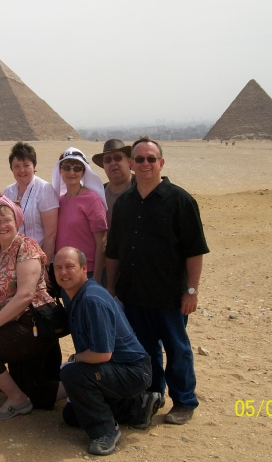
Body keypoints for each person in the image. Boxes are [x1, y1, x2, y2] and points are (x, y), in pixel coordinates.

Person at [106, 135, 209, 425]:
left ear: (161, 162)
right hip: (134, 295)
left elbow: (195, 250)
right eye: (139, 159)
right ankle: (152, 395)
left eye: (151, 159)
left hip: (170, 296)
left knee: (177, 350)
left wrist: (191, 291)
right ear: (131, 163)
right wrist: (111, 289)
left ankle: (184, 401)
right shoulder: (124, 203)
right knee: (145, 351)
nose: (145, 164)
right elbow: (113, 251)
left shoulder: (180, 200)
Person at [55, 247, 161, 456]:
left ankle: (105, 433)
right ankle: (137, 408)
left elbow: (102, 354)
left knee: (72, 374)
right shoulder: (71, 295)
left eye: (70, 266)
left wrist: (74, 359)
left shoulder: (92, 299)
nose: (63, 272)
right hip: (113, 369)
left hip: (132, 371)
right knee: (71, 415)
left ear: (84, 269)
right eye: (58, 267)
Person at [0, 197, 61, 420]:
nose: (2, 226)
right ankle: (23, 394)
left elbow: (26, 295)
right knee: (35, 393)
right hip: (9, 323)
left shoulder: (26, 247)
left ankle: (19, 400)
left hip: (33, 323)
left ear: (17, 221)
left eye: (6, 220)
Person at [52, 147, 107, 283]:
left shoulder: (92, 200)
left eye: (77, 168)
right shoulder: (59, 200)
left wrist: (97, 277)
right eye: (66, 167)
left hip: (87, 272)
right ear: (60, 170)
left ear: (83, 172)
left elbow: (102, 241)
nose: (71, 172)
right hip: (64, 273)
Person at [2, 142, 59, 260]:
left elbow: (51, 234)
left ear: (34, 166)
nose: (21, 170)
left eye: (26, 165)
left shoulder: (44, 189)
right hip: (12, 259)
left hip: (37, 259)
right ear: (11, 168)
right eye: (16, 166)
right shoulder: (8, 192)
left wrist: (44, 266)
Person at [92, 139, 133, 229]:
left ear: (129, 162)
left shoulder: (142, 188)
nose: (113, 163)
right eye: (108, 160)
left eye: (118, 158)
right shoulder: (98, 194)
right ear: (104, 166)